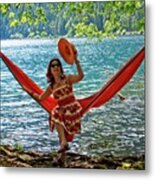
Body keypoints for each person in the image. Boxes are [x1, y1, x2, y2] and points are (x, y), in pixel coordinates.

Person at [23, 45, 84, 153]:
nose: (55, 67)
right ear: (50, 70)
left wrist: (76, 61)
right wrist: (29, 91)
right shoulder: (51, 87)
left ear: (60, 68)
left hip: (72, 110)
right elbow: (41, 97)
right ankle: (63, 145)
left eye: (57, 65)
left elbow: (80, 76)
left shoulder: (67, 79)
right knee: (56, 112)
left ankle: (63, 144)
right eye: (53, 66)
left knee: (56, 113)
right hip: (62, 112)